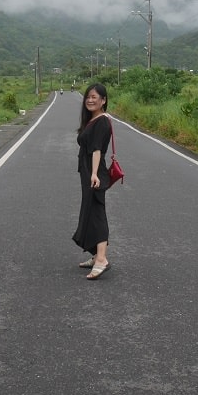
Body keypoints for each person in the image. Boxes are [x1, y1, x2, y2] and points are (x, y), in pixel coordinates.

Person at [72, 82, 113, 279]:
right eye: (88, 96)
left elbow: (96, 149)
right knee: (90, 211)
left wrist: (94, 174)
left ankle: (102, 259)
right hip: (88, 171)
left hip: (94, 173)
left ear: (103, 100)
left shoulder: (102, 121)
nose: (90, 100)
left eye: (94, 97)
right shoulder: (93, 120)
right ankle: (96, 254)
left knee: (97, 213)